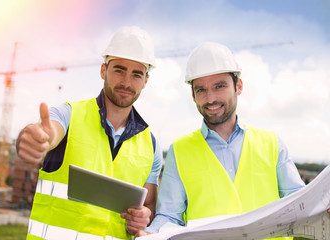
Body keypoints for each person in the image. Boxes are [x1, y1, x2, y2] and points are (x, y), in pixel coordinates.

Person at [138, 42, 312, 240]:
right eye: (201, 89)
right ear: (193, 95)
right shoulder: (179, 150)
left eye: (219, 86)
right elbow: (169, 216)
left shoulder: (272, 143)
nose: (210, 98)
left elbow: (301, 204)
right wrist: (153, 234)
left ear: (238, 86)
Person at [16, 26, 163, 240]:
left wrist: (143, 218)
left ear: (145, 81)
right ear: (103, 70)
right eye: (119, 70)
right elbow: (48, 133)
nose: (126, 82)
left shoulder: (151, 145)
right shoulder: (68, 114)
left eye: (136, 75)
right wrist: (36, 139)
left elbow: (147, 207)